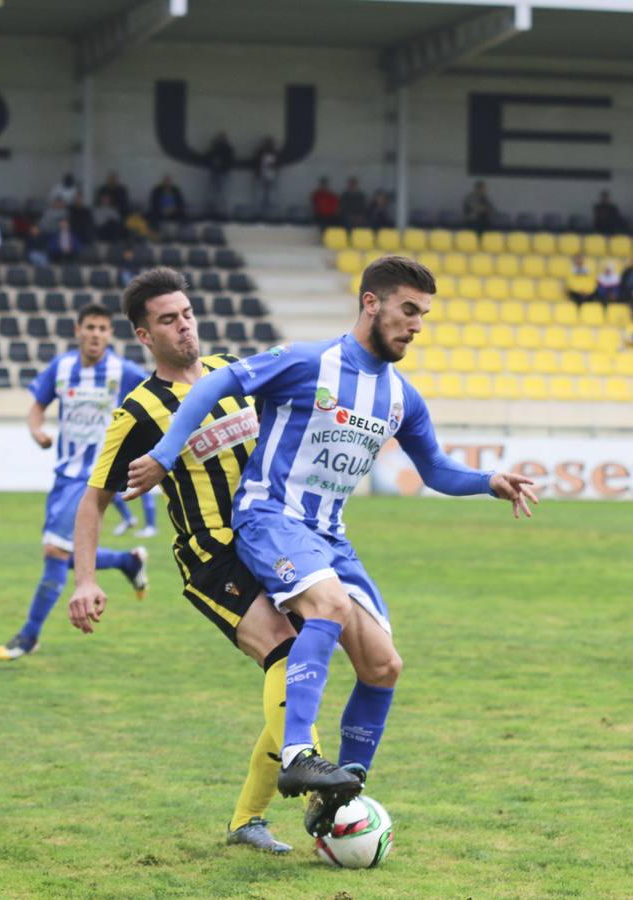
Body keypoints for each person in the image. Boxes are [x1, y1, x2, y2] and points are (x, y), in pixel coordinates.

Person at [122, 256, 538, 838]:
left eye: (424, 315)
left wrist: (487, 482)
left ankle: (341, 796)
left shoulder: (401, 397)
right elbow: (221, 380)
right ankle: (298, 759)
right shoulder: (308, 361)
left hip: (329, 537)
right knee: (329, 607)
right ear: (371, 303)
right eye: (408, 310)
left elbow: (436, 469)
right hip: (270, 517)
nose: (417, 325)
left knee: (383, 664)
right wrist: (167, 451)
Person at [68, 267, 302, 853]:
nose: (184, 326)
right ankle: (317, 783)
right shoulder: (139, 410)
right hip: (212, 558)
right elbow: (93, 501)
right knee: (286, 650)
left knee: (301, 668)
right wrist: (86, 580)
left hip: (273, 545)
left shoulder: (231, 373)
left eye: (187, 313)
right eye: (168, 320)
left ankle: (248, 820)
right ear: (145, 336)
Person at [0, 304, 150, 661]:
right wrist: (36, 431)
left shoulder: (122, 371)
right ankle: (127, 561)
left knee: (55, 553)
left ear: (110, 335)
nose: (96, 334)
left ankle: (29, 636)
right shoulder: (61, 367)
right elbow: (36, 406)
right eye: (90, 327)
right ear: (78, 330)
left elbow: (157, 400)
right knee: (62, 553)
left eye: (103, 328)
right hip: (64, 475)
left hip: (97, 474)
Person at [206, 133, 234, 217]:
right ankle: (214, 210)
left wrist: (221, 162)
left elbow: (229, 160)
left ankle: (224, 211)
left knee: (223, 192)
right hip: (215, 172)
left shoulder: (228, 149)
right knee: (214, 191)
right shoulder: (214, 149)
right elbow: (208, 157)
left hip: (223, 172)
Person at [253, 137, 279, 215]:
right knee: (260, 194)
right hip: (262, 175)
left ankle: (270, 213)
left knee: (271, 195)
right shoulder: (260, 152)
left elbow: (277, 164)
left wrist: (273, 165)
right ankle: (259, 212)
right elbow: (256, 163)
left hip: (271, 175)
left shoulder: (274, 153)